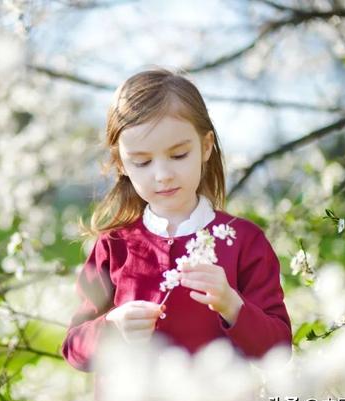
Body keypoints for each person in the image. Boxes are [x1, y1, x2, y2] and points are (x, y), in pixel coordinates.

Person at [61, 68, 292, 375]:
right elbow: (73, 347)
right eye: (142, 162)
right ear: (122, 164)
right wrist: (112, 327)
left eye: (179, 155)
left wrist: (232, 305)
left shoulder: (242, 241)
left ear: (205, 147)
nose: (163, 174)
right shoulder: (113, 246)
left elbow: (278, 349)